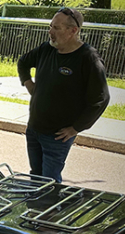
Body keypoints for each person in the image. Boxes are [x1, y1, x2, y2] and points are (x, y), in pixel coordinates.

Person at [17, 8, 110, 183]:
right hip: (34, 128)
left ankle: (51, 210)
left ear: (73, 31)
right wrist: (28, 83)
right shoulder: (47, 49)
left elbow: (100, 99)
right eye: (51, 26)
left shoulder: (88, 58)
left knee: (50, 182)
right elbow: (23, 62)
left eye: (56, 28)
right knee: (35, 176)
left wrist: (76, 128)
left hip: (58, 135)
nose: (50, 32)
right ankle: (35, 209)